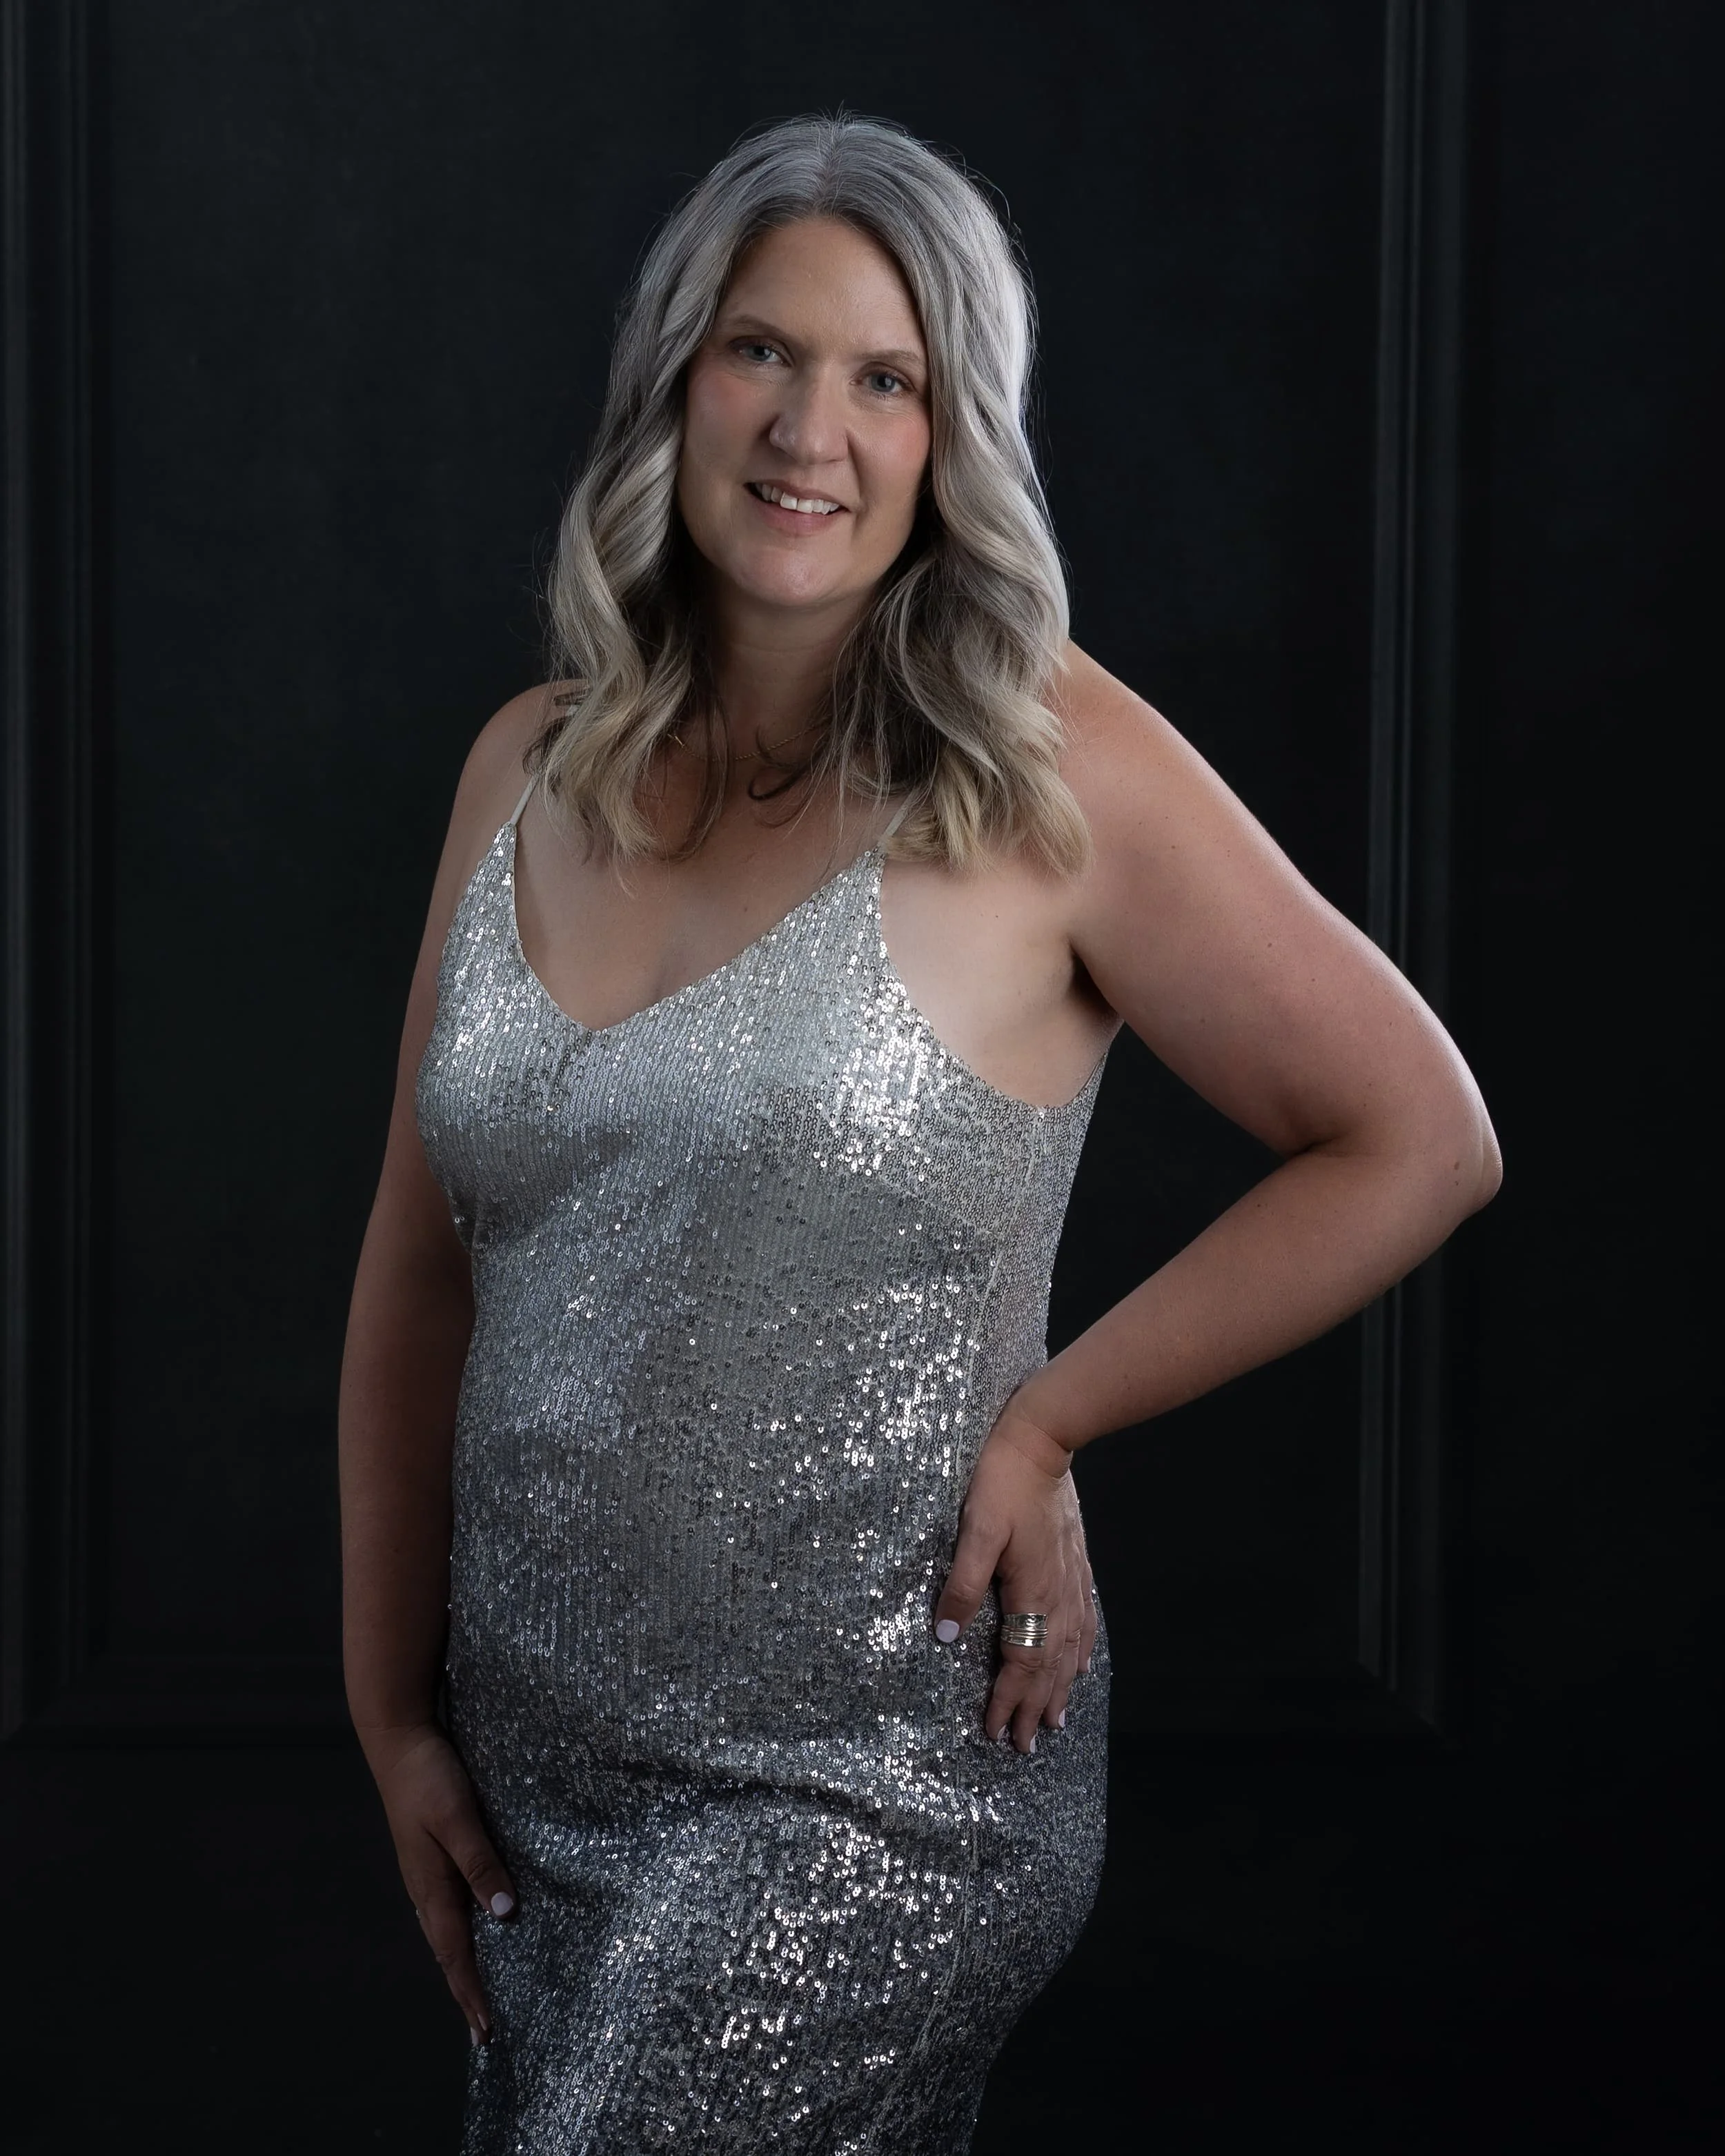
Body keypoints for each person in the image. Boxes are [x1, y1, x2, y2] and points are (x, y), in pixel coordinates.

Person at [337, 112, 1500, 2154]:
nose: (811, 427)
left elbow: (1416, 1133)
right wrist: (388, 1710)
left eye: (888, 379)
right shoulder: (523, 767)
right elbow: (419, 1264)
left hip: (863, 1790)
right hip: (543, 1789)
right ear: (675, 380)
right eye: (761, 353)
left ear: (954, 437)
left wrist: (1049, 1418)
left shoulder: (1044, 765)